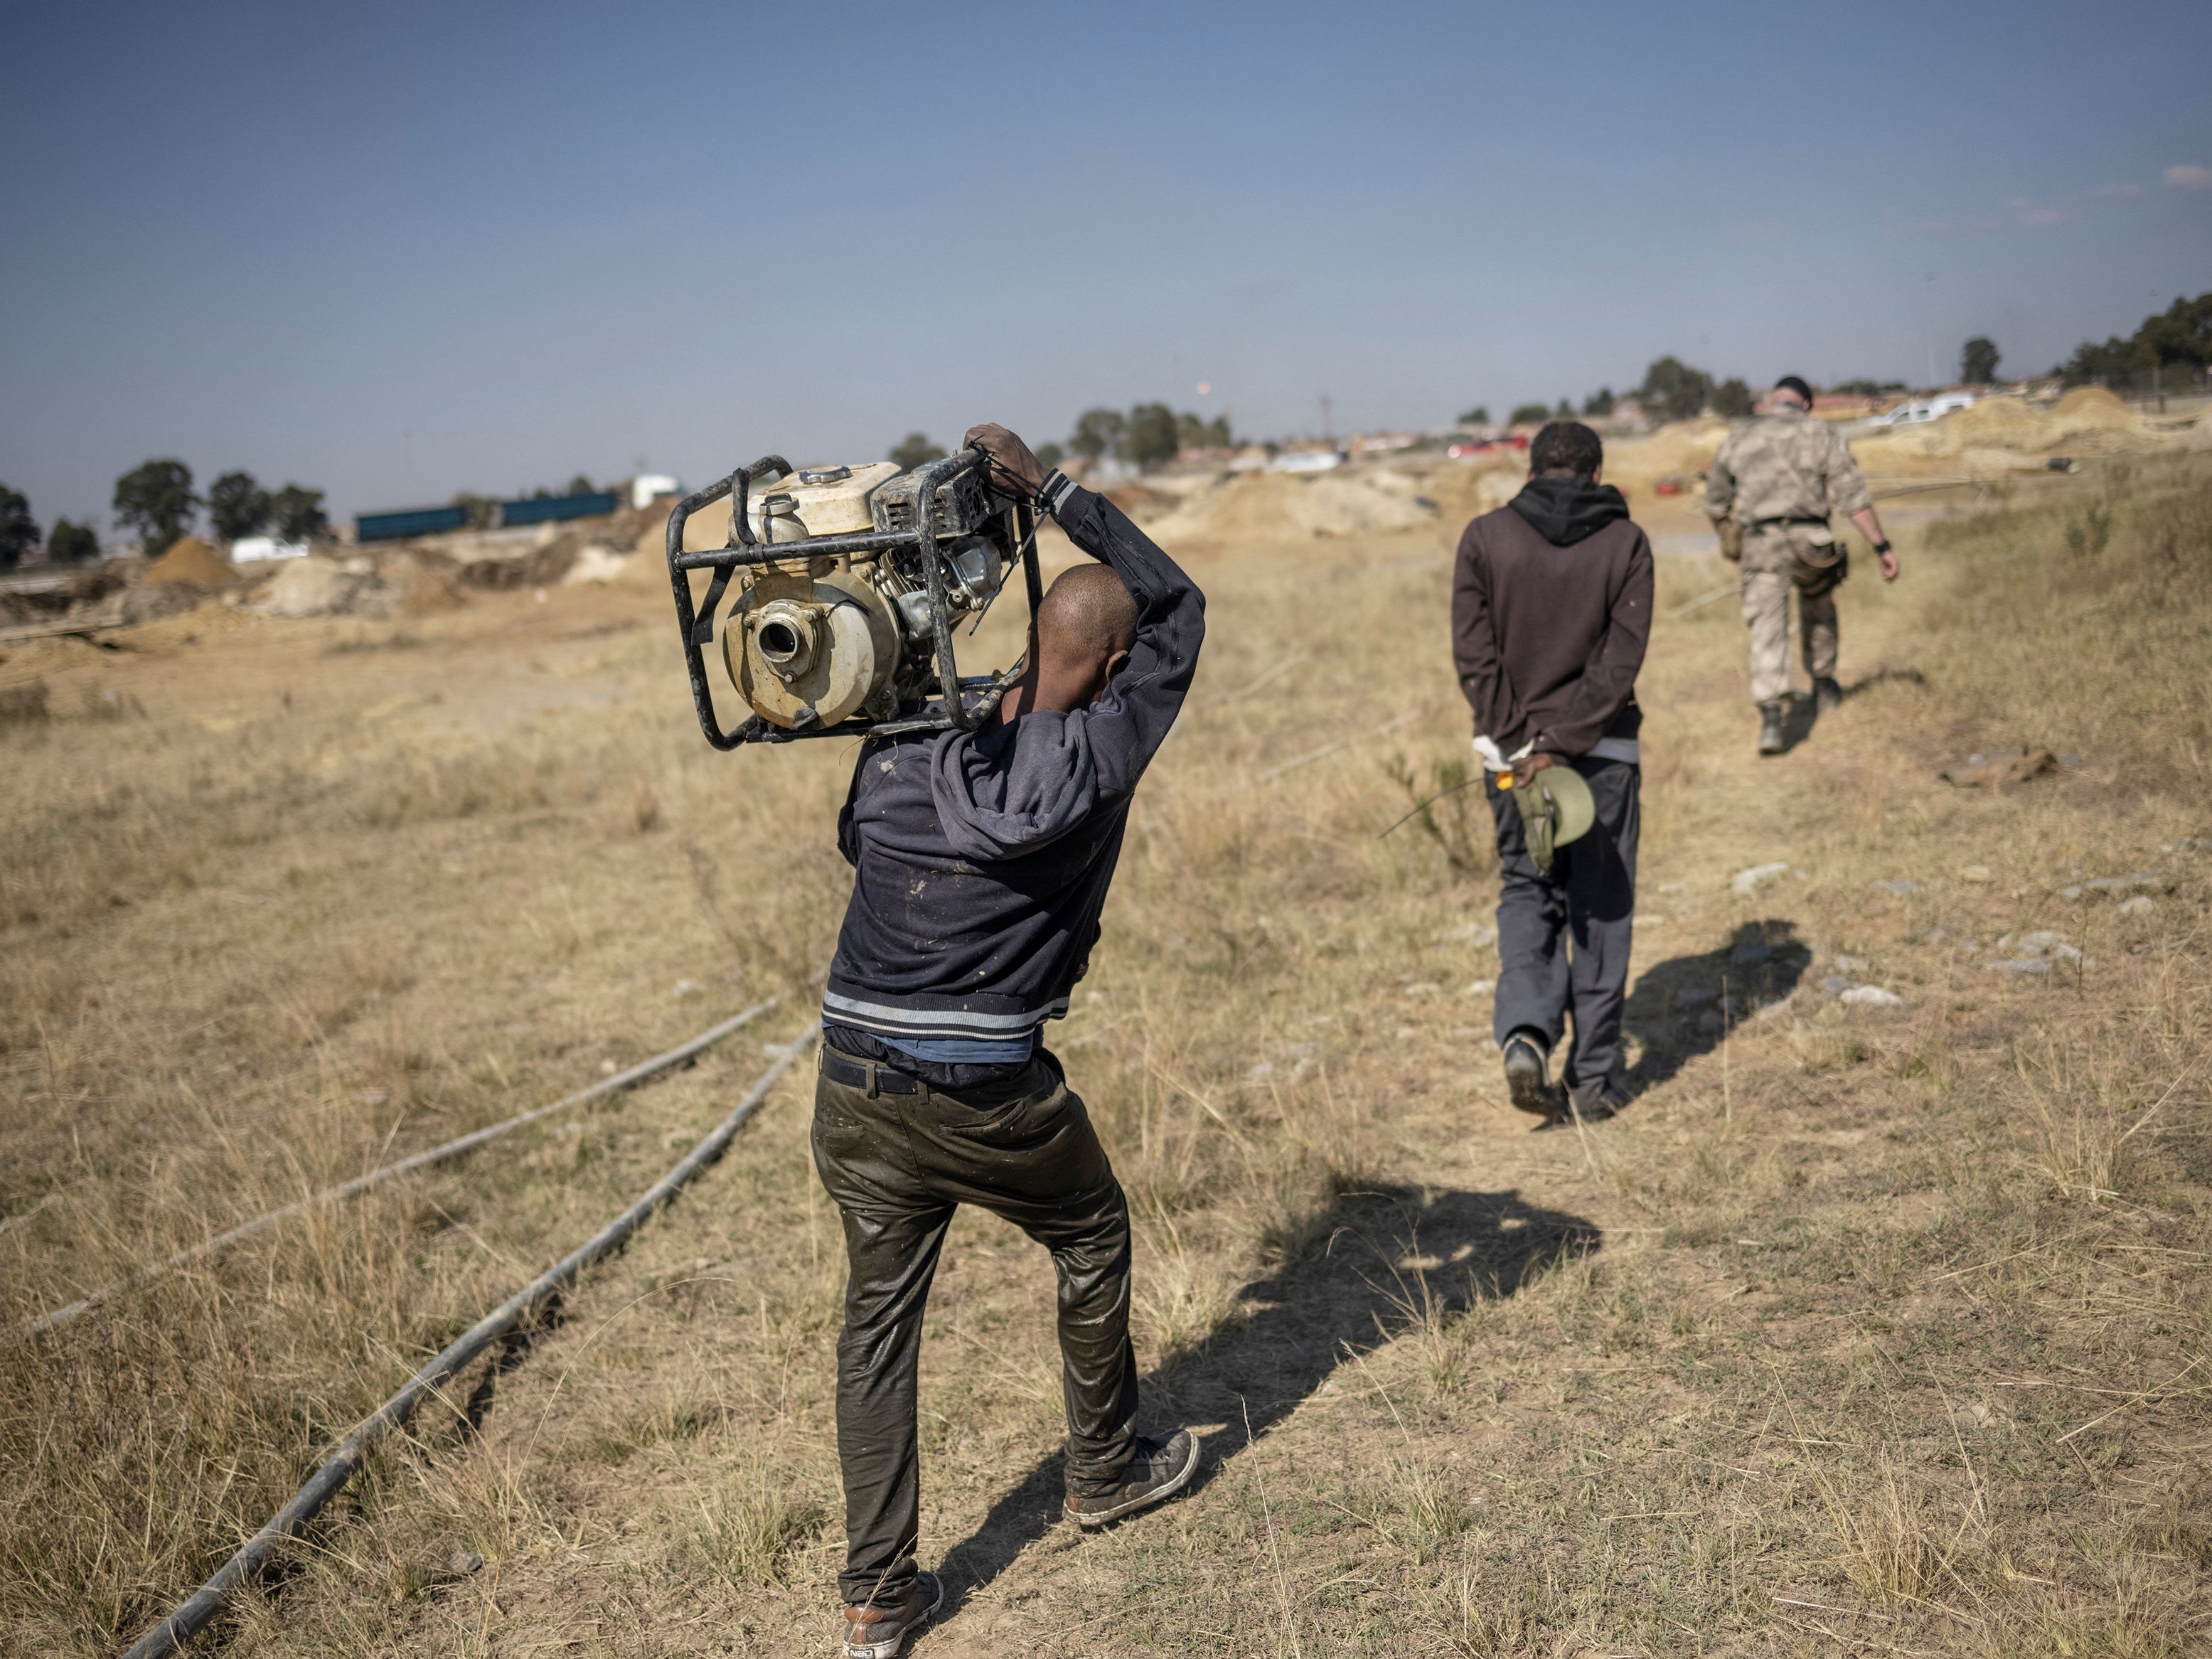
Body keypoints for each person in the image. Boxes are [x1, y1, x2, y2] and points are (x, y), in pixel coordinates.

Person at [813, 423, 1206, 1658]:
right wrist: (1056, 492)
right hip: (984, 1084)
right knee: (1088, 1232)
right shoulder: (1096, 750)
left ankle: (878, 1594)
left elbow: (853, 843)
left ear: (1036, 641)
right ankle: (1104, 1470)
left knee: (878, 1322)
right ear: (1116, 661)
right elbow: (1180, 607)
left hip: (852, 1075)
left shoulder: (915, 730)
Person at [1450, 420, 1652, 1124]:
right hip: (1602, 759)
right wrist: (1563, 745)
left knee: (1528, 888)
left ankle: (1527, 1032)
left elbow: (1474, 656)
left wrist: (1520, 743)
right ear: (1596, 473)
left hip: (1511, 765)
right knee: (1601, 902)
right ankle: (1594, 1080)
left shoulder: (1484, 538)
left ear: (1531, 470)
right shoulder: (1626, 542)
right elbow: (1620, 661)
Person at [1704, 375, 1898, 754]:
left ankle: (1773, 721)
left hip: (1761, 544)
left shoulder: (1740, 435)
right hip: (1813, 543)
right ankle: (1824, 685)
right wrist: (1882, 547)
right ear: (1806, 404)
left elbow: (1714, 504)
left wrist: (1731, 537)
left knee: (1767, 628)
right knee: (1819, 612)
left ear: (1773, 401)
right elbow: (1853, 498)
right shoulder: (1821, 433)